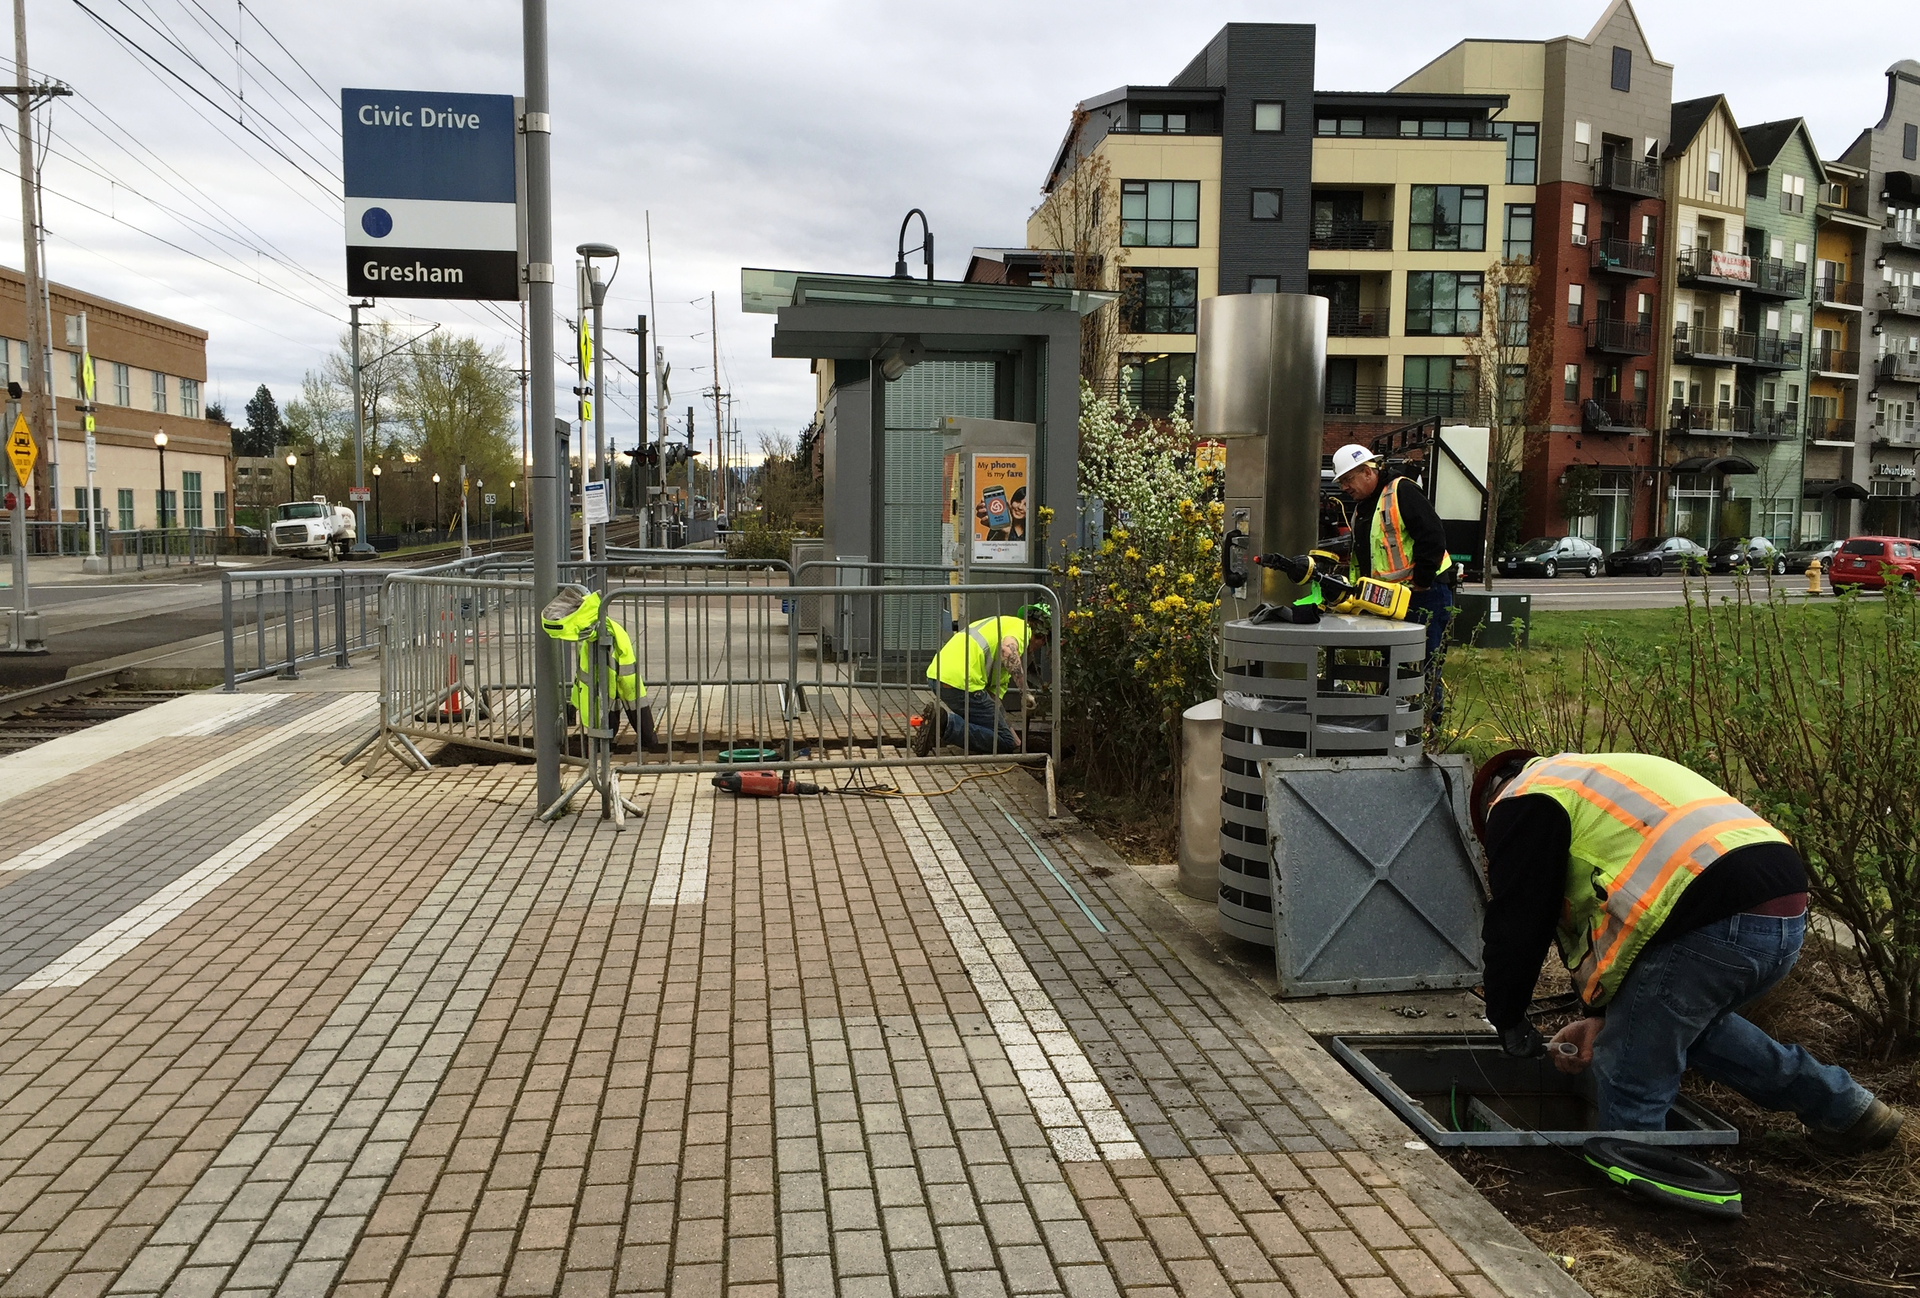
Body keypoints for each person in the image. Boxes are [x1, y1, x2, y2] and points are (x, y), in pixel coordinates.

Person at [1470, 748, 1904, 1154]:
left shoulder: (1523, 801)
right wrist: (1602, 1015)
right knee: (1686, 1027)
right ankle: (1849, 1111)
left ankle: (1639, 1182)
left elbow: (1520, 918)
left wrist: (1506, 1016)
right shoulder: (1595, 779)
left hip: (1711, 921)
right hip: (1783, 914)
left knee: (1628, 1072)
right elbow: (1618, 920)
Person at [1330, 443, 1453, 709]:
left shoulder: (1402, 491)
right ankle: (1392, 723)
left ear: (1367, 471)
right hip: (1389, 601)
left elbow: (1433, 536)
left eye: (1348, 480)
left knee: (1425, 667)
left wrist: (1421, 580)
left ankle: (1426, 729)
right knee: (1391, 669)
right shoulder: (1365, 506)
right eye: (1341, 482)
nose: (1344, 488)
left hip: (1423, 595)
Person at [912, 603, 1051, 756]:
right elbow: (1007, 650)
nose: (1040, 647)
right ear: (1040, 634)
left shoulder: (1001, 625)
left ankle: (940, 724)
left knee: (1005, 736)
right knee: (1006, 742)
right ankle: (944, 724)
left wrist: (1012, 734)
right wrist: (1025, 692)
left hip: (937, 675)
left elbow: (992, 706)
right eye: (1044, 641)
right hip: (962, 681)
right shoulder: (1022, 629)